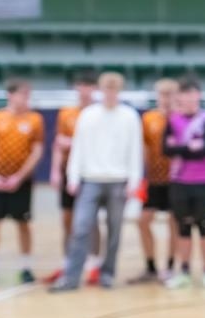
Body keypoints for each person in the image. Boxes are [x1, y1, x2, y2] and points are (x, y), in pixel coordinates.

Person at [52, 71, 142, 291]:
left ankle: (107, 274)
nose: (110, 93)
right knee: (81, 227)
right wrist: (73, 177)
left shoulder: (129, 116)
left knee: (115, 230)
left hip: (118, 181)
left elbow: (135, 151)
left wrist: (134, 181)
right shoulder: (89, 115)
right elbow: (78, 148)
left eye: (114, 89)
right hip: (90, 180)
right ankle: (71, 277)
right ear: (100, 91)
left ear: (119, 91)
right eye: (107, 89)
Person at [0, 79, 44, 286]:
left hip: (21, 180)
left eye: (28, 95)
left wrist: (20, 176)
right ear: (10, 95)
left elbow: (37, 151)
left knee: (23, 223)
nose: (25, 99)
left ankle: (26, 267)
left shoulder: (34, 120)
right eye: (22, 94)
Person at [164, 80, 205, 290]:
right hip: (180, 181)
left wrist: (180, 147)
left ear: (198, 96)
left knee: (204, 225)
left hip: (204, 181)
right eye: (184, 95)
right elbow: (166, 149)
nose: (188, 99)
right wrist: (190, 147)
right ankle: (184, 270)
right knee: (183, 227)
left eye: (192, 95)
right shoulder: (173, 120)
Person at [47, 71, 99, 286]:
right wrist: (55, 171)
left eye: (89, 85)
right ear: (76, 88)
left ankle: (94, 263)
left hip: (92, 171)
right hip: (69, 171)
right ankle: (68, 262)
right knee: (67, 218)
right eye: (81, 85)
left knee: (92, 220)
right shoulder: (66, 113)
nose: (85, 90)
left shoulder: (99, 114)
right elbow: (59, 143)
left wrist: (75, 143)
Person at [129, 77, 179, 285]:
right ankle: (150, 266)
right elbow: (144, 148)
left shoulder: (180, 119)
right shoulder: (149, 118)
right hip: (153, 179)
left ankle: (170, 267)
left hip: (175, 181)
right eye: (162, 94)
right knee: (143, 221)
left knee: (173, 222)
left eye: (170, 94)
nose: (166, 99)